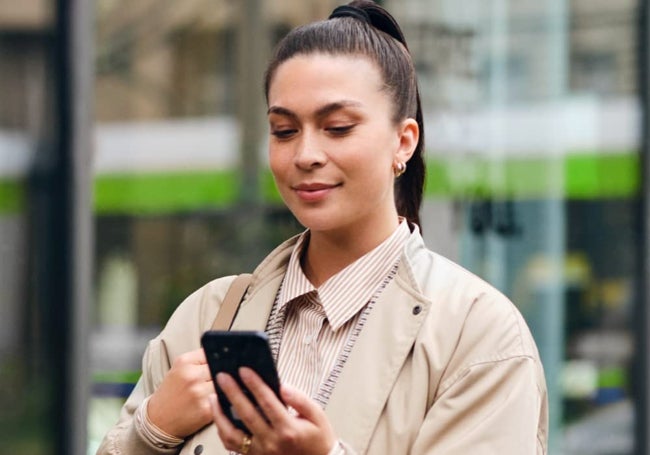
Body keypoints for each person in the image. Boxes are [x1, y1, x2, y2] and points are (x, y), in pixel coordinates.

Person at [97, 1, 548, 454]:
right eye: (284, 131)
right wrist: (153, 428)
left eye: (337, 127)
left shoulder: (477, 333)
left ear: (403, 142)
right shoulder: (208, 316)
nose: (305, 154)